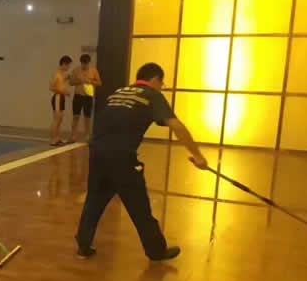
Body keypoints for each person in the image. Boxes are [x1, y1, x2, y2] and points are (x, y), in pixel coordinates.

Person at [75, 62, 208, 261]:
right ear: (155, 80)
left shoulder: (118, 93)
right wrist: (198, 156)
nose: (161, 87)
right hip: (122, 158)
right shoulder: (151, 95)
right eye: (161, 83)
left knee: (94, 200)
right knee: (140, 207)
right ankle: (156, 251)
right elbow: (177, 126)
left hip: (97, 154)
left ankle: (83, 245)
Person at [70, 54, 101, 142]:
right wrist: (79, 81)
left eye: (86, 64)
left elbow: (99, 82)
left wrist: (90, 81)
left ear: (89, 63)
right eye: (83, 64)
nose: (84, 66)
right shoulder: (76, 70)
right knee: (76, 116)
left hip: (88, 97)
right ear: (81, 63)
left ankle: (87, 135)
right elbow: (71, 82)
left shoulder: (93, 70)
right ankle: (73, 135)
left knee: (87, 117)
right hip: (78, 95)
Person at [49, 55, 72, 146]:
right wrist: (64, 92)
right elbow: (51, 87)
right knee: (56, 119)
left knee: (60, 119)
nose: (69, 67)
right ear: (64, 64)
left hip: (61, 97)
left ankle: (57, 138)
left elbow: (60, 85)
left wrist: (65, 80)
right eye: (68, 65)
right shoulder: (57, 74)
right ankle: (52, 140)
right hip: (57, 97)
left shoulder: (62, 75)